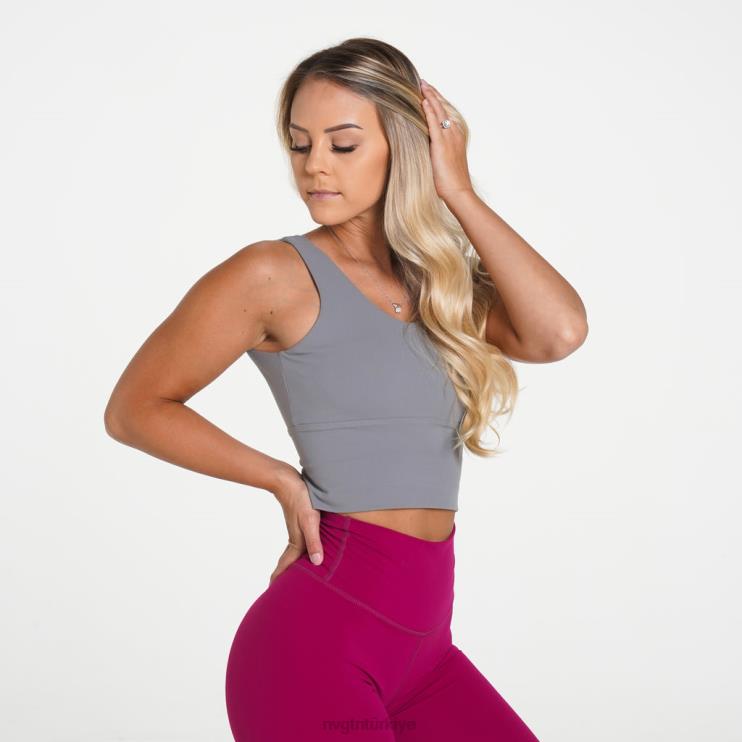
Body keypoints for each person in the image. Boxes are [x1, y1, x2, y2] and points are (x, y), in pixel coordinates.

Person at [104, 37, 587, 741]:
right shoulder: (272, 274)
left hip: (427, 655)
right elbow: (135, 408)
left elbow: (559, 332)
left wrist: (457, 190)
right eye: (300, 144)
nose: (314, 166)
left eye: (344, 144)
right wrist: (279, 479)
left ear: (404, 147)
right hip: (316, 644)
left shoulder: (440, 285)